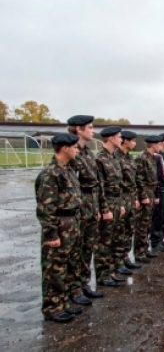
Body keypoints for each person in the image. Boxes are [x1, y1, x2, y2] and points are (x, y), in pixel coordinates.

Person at [36, 133, 83, 323]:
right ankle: (52, 308)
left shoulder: (68, 170)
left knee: (68, 265)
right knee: (54, 268)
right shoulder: (50, 174)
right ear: (65, 148)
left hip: (72, 222)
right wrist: (51, 233)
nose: (77, 150)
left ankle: (64, 302)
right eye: (74, 147)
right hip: (60, 225)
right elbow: (46, 208)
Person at [67, 115, 103, 301]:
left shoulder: (88, 153)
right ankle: (74, 290)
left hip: (91, 206)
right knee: (75, 251)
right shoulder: (71, 153)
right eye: (89, 127)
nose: (93, 130)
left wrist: (98, 206)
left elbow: (95, 182)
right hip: (78, 208)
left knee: (87, 248)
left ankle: (83, 284)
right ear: (79, 129)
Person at [95, 126, 126, 287]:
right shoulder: (100, 159)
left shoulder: (114, 158)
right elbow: (99, 187)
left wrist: (120, 204)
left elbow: (118, 185)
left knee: (114, 238)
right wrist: (104, 209)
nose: (121, 139)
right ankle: (102, 274)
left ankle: (112, 270)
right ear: (111, 138)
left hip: (116, 202)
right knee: (104, 241)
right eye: (119, 137)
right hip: (106, 202)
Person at [114, 130, 142, 273]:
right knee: (120, 231)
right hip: (122, 198)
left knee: (129, 229)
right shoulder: (116, 157)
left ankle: (125, 258)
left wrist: (136, 197)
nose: (134, 143)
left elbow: (134, 180)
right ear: (125, 141)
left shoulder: (129, 158)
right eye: (132, 140)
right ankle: (118, 262)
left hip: (130, 197)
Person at [134, 135, 162, 264]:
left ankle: (145, 249)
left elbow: (153, 179)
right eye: (158, 144)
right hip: (144, 193)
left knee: (147, 224)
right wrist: (143, 196)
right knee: (141, 225)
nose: (159, 146)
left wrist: (154, 195)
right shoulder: (142, 158)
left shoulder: (152, 158)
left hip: (150, 191)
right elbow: (138, 179)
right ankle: (139, 252)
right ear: (152, 145)